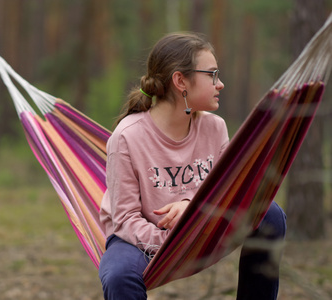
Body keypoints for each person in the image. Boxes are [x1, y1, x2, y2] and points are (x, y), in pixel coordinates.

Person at [98, 32, 287, 300]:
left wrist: (190, 208)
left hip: (203, 227)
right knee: (118, 275)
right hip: (141, 238)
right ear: (180, 81)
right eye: (212, 75)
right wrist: (171, 245)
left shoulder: (214, 127)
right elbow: (126, 220)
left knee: (269, 214)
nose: (220, 84)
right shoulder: (127, 137)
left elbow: (229, 192)